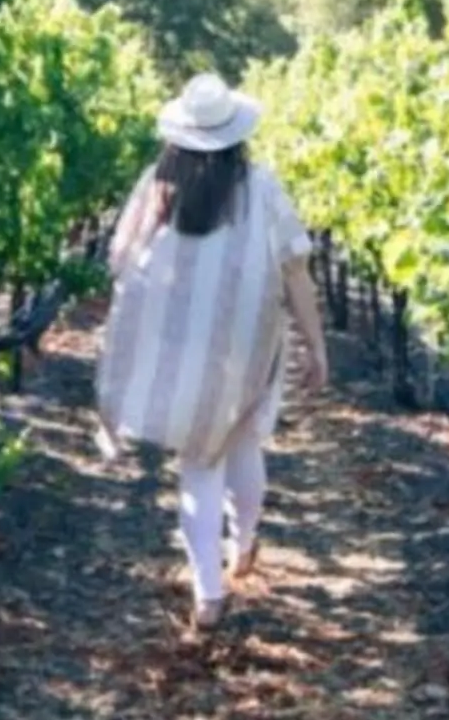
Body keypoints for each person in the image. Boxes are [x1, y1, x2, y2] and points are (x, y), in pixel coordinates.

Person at [95, 73, 332, 632]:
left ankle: (208, 594)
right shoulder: (262, 186)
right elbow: (296, 268)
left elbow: (119, 261)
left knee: (197, 461)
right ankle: (243, 546)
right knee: (243, 440)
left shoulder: (158, 186)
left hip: (180, 344)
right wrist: (316, 344)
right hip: (247, 345)